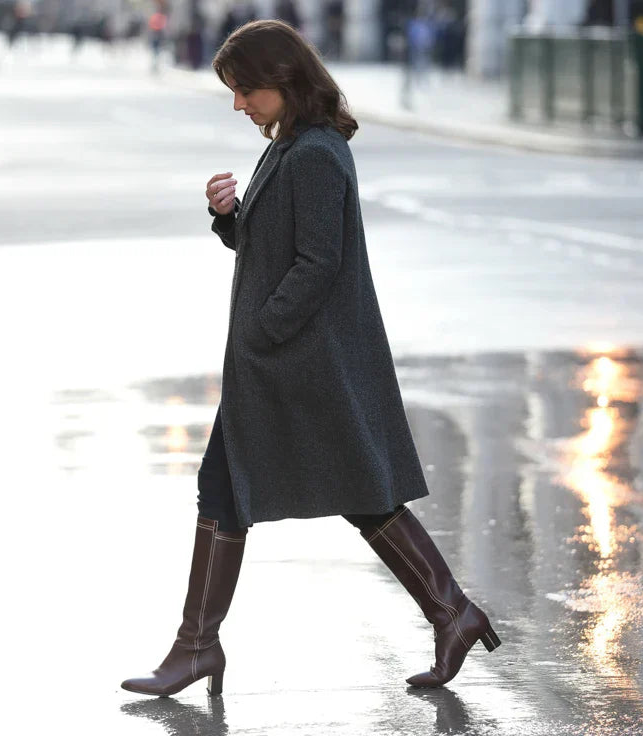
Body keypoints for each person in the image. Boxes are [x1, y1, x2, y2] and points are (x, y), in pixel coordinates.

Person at [119, 19, 502, 698]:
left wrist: (262, 332)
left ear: (282, 79)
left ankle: (449, 612)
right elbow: (278, 247)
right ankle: (201, 646)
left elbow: (317, 264)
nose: (239, 105)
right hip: (288, 360)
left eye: (245, 91)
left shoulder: (317, 153)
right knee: (244, 490)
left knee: (353, 493)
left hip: (303, 361)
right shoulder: (291, 145)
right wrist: (232, 218)